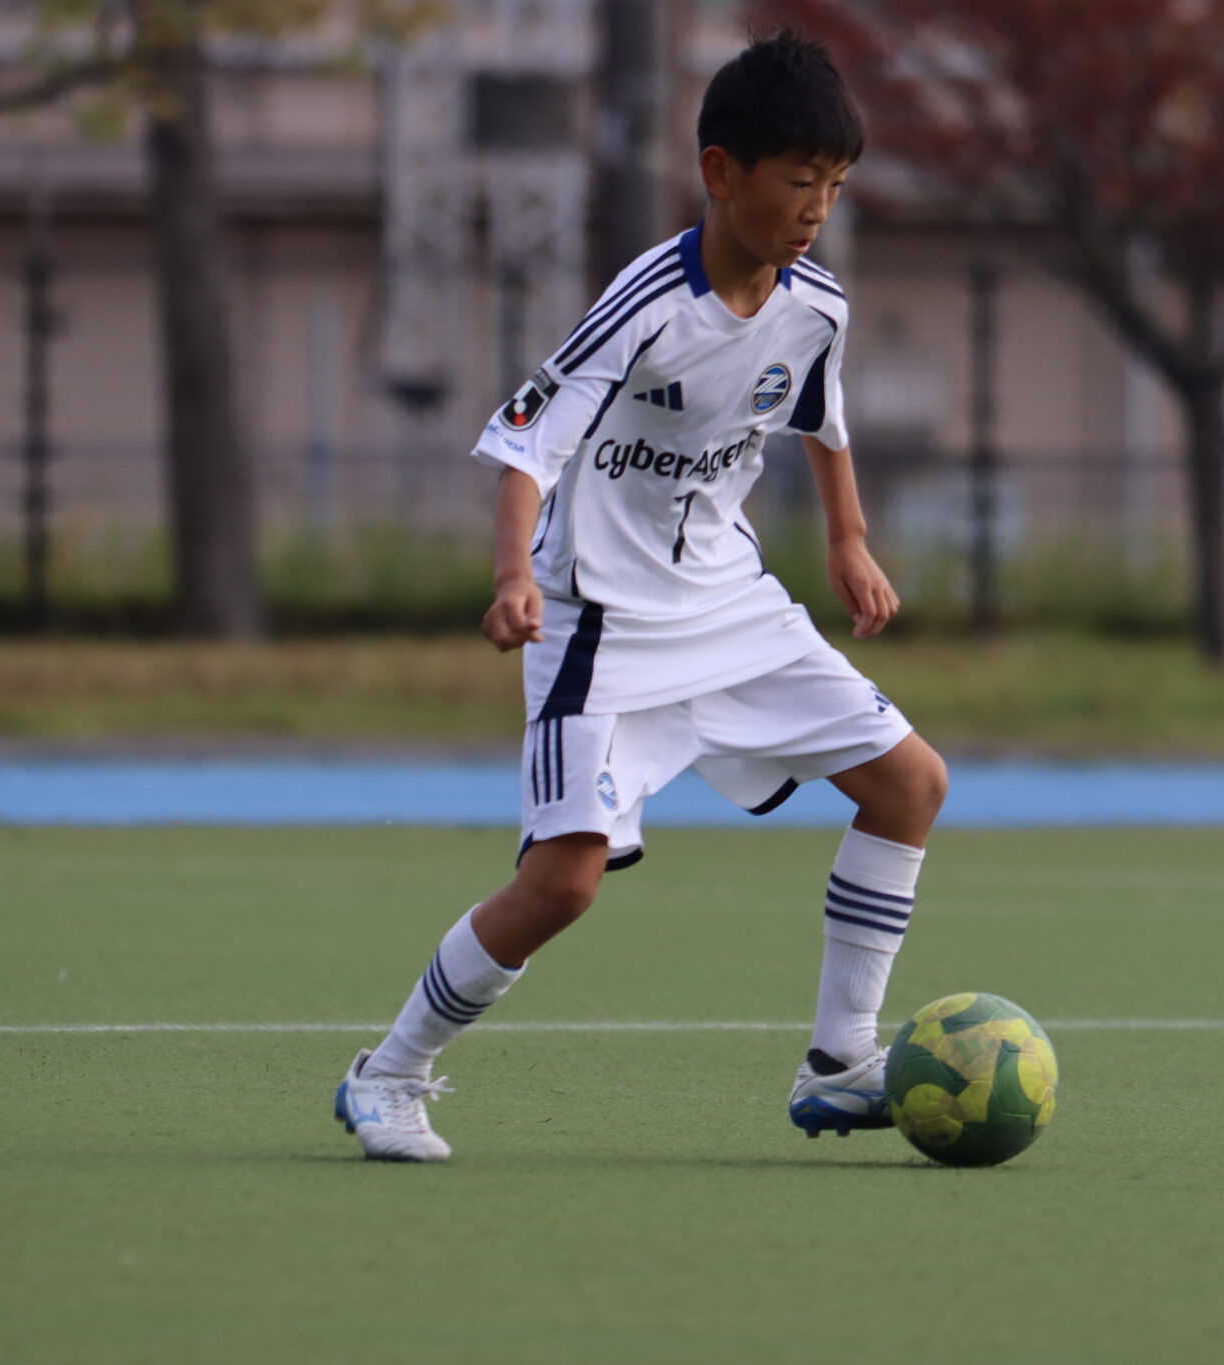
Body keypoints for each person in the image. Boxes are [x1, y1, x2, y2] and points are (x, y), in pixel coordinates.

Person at [334, 31, 948, 1161]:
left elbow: (821, 419)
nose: (817, 208)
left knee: (910, 783)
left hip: (731, 609)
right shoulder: (647, 304)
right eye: (798, 180)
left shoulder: (817, 305)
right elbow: (524, 445)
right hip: (599, 628)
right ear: (721, 172)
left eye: (835, 184)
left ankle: (839, 1060)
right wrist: (512, 578)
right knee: (562, 884)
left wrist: (849, 540)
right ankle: (389, 1073)